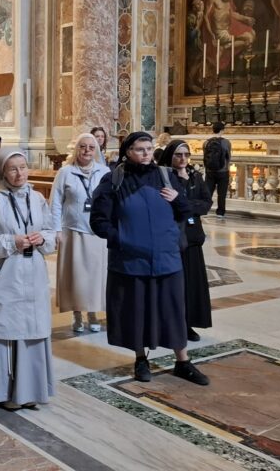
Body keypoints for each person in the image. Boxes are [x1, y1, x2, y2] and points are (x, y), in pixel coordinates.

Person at [90, 132, 209, 386]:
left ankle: (183, 361)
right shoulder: (114, 180)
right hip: (131, 261)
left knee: (173, 311)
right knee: (137, 311)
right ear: (127, 151)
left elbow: (188, 213)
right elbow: (98, 221)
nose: (146, 153)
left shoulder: (165, 176)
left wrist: (178, 199)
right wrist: (122, 239)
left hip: (167, 258)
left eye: (149, 148)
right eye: (140, 149)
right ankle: (140, 359)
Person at [0, 149, 56, 410]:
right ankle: (4, 392)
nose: (19, 173)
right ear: (2, 171)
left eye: (23, 167)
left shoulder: (37, 199)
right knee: (5, 332)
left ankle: (30, 391)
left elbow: (53, 233)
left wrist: (43, 239)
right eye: (13, 168)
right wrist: (13, 241)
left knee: (33, 331)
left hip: (33, 274)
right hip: (5, 275)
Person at [51, 133, 110, 333]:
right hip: (72, 231)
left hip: (97, 232)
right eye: (83, 147)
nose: (86, 151)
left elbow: (109, 201)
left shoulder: (104, 171)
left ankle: (93, 313)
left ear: (96, 151)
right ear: (77, 149)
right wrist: (56, 229)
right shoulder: (65, 172)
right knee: (75, 276)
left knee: (95, 276)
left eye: (91, 148)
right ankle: (76, 313)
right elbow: (56, 202)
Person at [159, 141, 213, 341]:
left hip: (193, 237)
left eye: (186, 155)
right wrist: (189, 205)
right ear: (170, 156)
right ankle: (171, 322)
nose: (183, 159)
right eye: (178, 155)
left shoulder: (195, 176)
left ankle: (189, 322)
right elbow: (168, 206)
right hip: (173, 237)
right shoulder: (165, 178)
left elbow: (206, 204)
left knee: (192, 284)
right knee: (175, 283)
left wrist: (184, 203)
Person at [203, 122, 231, 218]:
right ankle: (220, 212)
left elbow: (205, 157)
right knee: (221, 194)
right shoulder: (226, 142)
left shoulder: (206, 142)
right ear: (222, 130)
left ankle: (204, 210)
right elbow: (228, 157)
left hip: (210, 171)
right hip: (223, 171)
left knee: (208, 192)